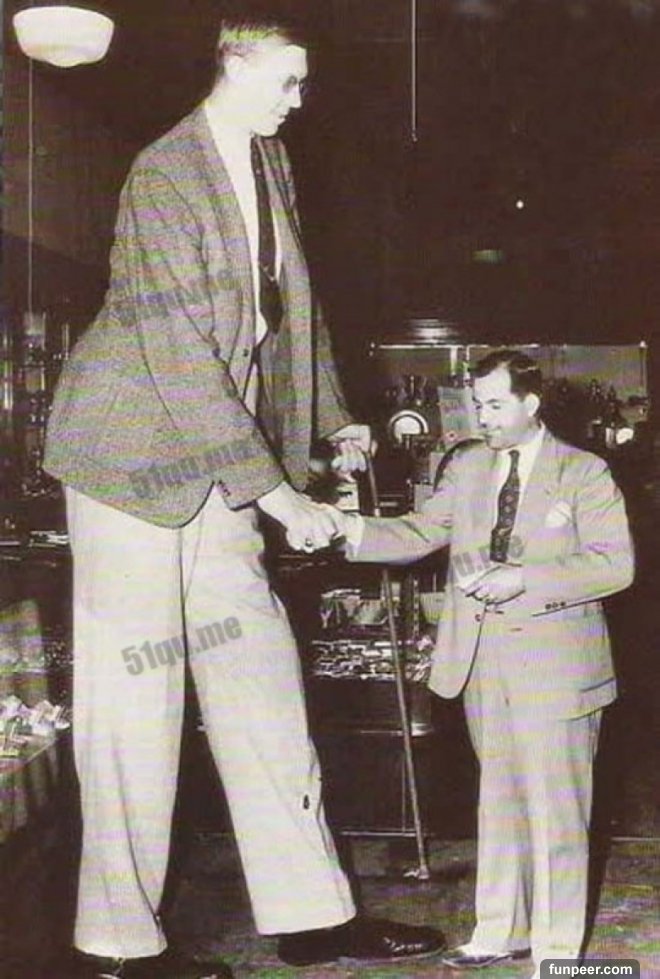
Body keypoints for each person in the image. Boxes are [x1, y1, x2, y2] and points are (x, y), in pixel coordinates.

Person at [43, 10, 446, 979]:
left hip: (217, 465)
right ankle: (117, 946)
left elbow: (293, 312)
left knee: (260, 679)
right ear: (234, 61)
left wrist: (333, 419)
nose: (299, 99)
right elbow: (179, 353)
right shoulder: (165, 173)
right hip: (131, 465)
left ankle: (312, 917)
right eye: (287, 80)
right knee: (136, 704)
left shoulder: (268, 162)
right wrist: (277, 493)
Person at [335, 350, 634, 977]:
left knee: (557, 814)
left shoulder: (584, 472)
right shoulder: (470, 467)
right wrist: (346, 531)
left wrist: (523, 578)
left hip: (556, 666)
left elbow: (615, 565)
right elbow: (420, 531)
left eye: (496, 405)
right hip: (481, 662)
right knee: (497, 802)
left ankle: (556, 952)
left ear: (532, 403)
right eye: (478, 405)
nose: (483, 418)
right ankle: (498, 929)